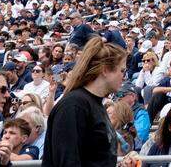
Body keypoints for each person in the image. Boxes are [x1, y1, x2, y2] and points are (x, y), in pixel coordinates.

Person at [42, 35, 128, 166]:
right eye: (122, 71)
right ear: (105, 70)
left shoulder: (96, 104)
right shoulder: (74, 105)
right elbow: (67, 161)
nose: (124, 77)